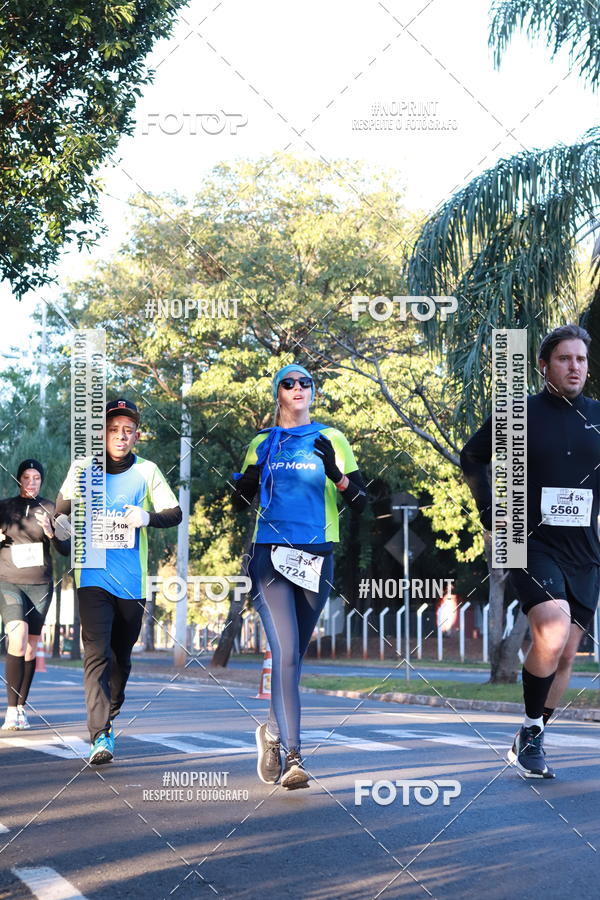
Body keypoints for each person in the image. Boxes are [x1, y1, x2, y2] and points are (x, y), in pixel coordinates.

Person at [461, 324, 600, 778]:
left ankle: (533, 733)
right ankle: (531, 729)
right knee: (554, 627)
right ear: (544, 366)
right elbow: (472, 455)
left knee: (565, 651)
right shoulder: (518, 413)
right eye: (565, 359)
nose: (575, 366)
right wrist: (490, 509)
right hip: (527, 538)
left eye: (581, 359)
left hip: (584, 548)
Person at [232, 364, 367, 789]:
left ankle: (271, 733)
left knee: (295, 657)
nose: (297, 388)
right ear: (278, 394)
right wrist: (247, 481)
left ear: (313, 392)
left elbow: (363, 502)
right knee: (286, 651)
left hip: (316, 557)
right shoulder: (262, 442)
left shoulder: (333, 440)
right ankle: (293, 756)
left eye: (304, 383)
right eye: (288, 383)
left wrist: (337, 475)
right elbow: (239, 503)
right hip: (271, 556)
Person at [55, 399, 182, 764]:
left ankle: (110, 711)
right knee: (96, 656)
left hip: (131, 581)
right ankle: (100, 734)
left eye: (127, 430)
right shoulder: (82, 468)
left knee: (120, 659)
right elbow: (61, 519)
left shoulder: (147, 471)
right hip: (91, 574)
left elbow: (174, 513)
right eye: (113, 429)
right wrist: (58, 536)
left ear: (136, 436)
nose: (121, 436)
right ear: (102, 434)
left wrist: (146, 517)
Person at [0, 459, 70, 730]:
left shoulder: (50, 508)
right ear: (19, 479)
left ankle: (20, 707)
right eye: (26, 477)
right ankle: (9, 710)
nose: (31, 481)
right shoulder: (4, 507)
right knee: (16, 637)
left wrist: (52, 532)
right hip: (8, 582)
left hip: (40, 585)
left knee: (30, 647)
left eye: (36, 477)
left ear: (42, 480)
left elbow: (65, 549)